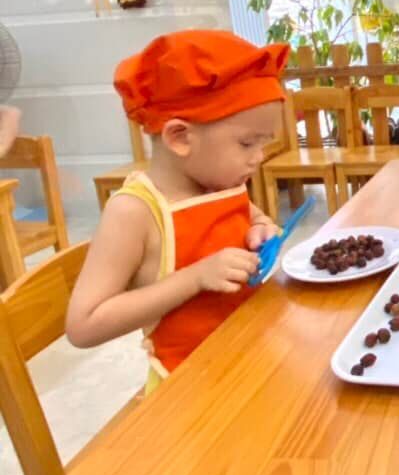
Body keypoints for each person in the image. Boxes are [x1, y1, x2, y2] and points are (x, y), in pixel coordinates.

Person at [67, 30, 288, 390]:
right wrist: (195, 278)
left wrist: (261, 228)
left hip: (246, 357)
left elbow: (252, 217)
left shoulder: (221, 181)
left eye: (263, 143)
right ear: (180, 137)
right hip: (185, 388)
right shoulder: (134, 212)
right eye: (247, 143)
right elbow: (84, 325)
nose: (259, 157)